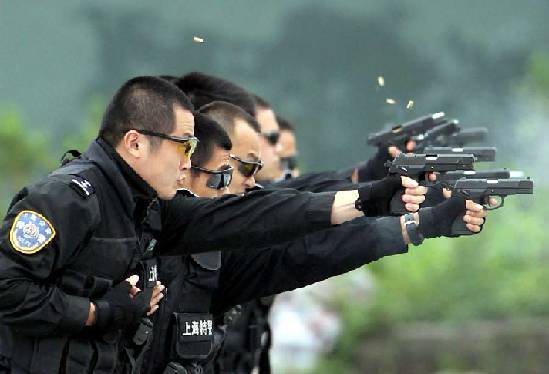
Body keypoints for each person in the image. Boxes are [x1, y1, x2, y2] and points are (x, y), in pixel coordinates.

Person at [0, 76, 401, 374]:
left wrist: (368, 200)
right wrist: (97, 312)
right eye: (184, 146)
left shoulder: (150, 208)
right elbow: (7, 288)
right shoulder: (67, 199)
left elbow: (254, 215)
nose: (189, 161)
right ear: (136, 142)